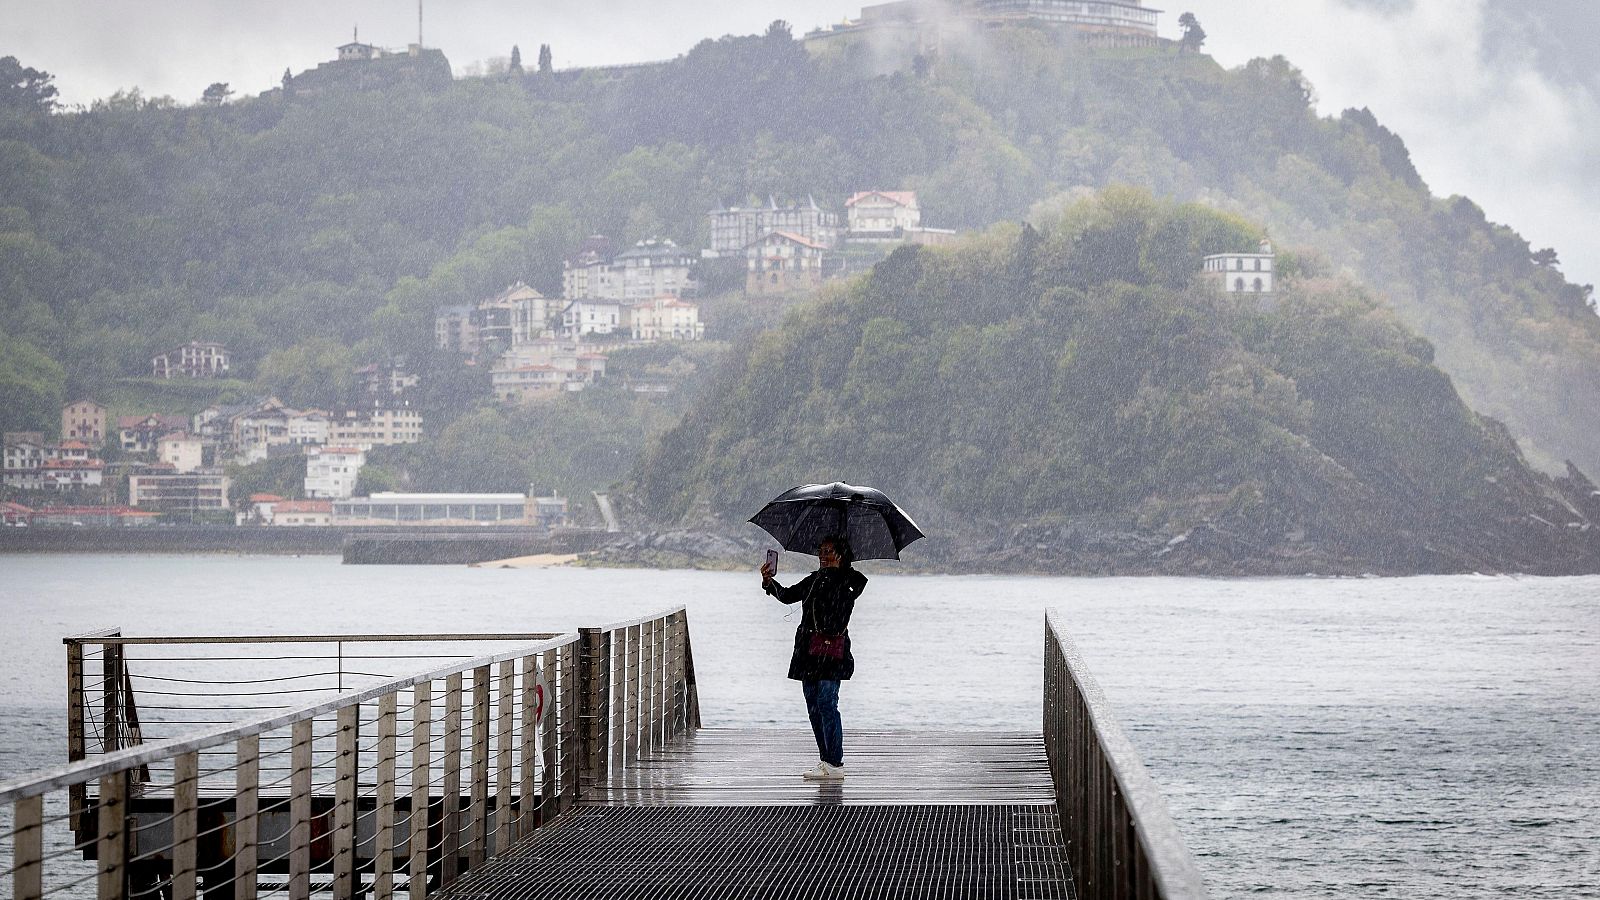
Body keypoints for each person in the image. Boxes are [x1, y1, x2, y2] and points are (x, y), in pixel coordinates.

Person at [759, 535, 867, 781]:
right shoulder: (814, 579)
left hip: (832, 652)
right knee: (813, 705)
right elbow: (787, 596)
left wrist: (836, 572)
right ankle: (825, 761)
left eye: (828, 551)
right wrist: (769, 582)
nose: (822, 556)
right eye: (820, 551)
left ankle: (835, 762)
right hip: (808, 651)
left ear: (840, 554)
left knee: (828, 703)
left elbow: (849, 596)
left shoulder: (852, 581)